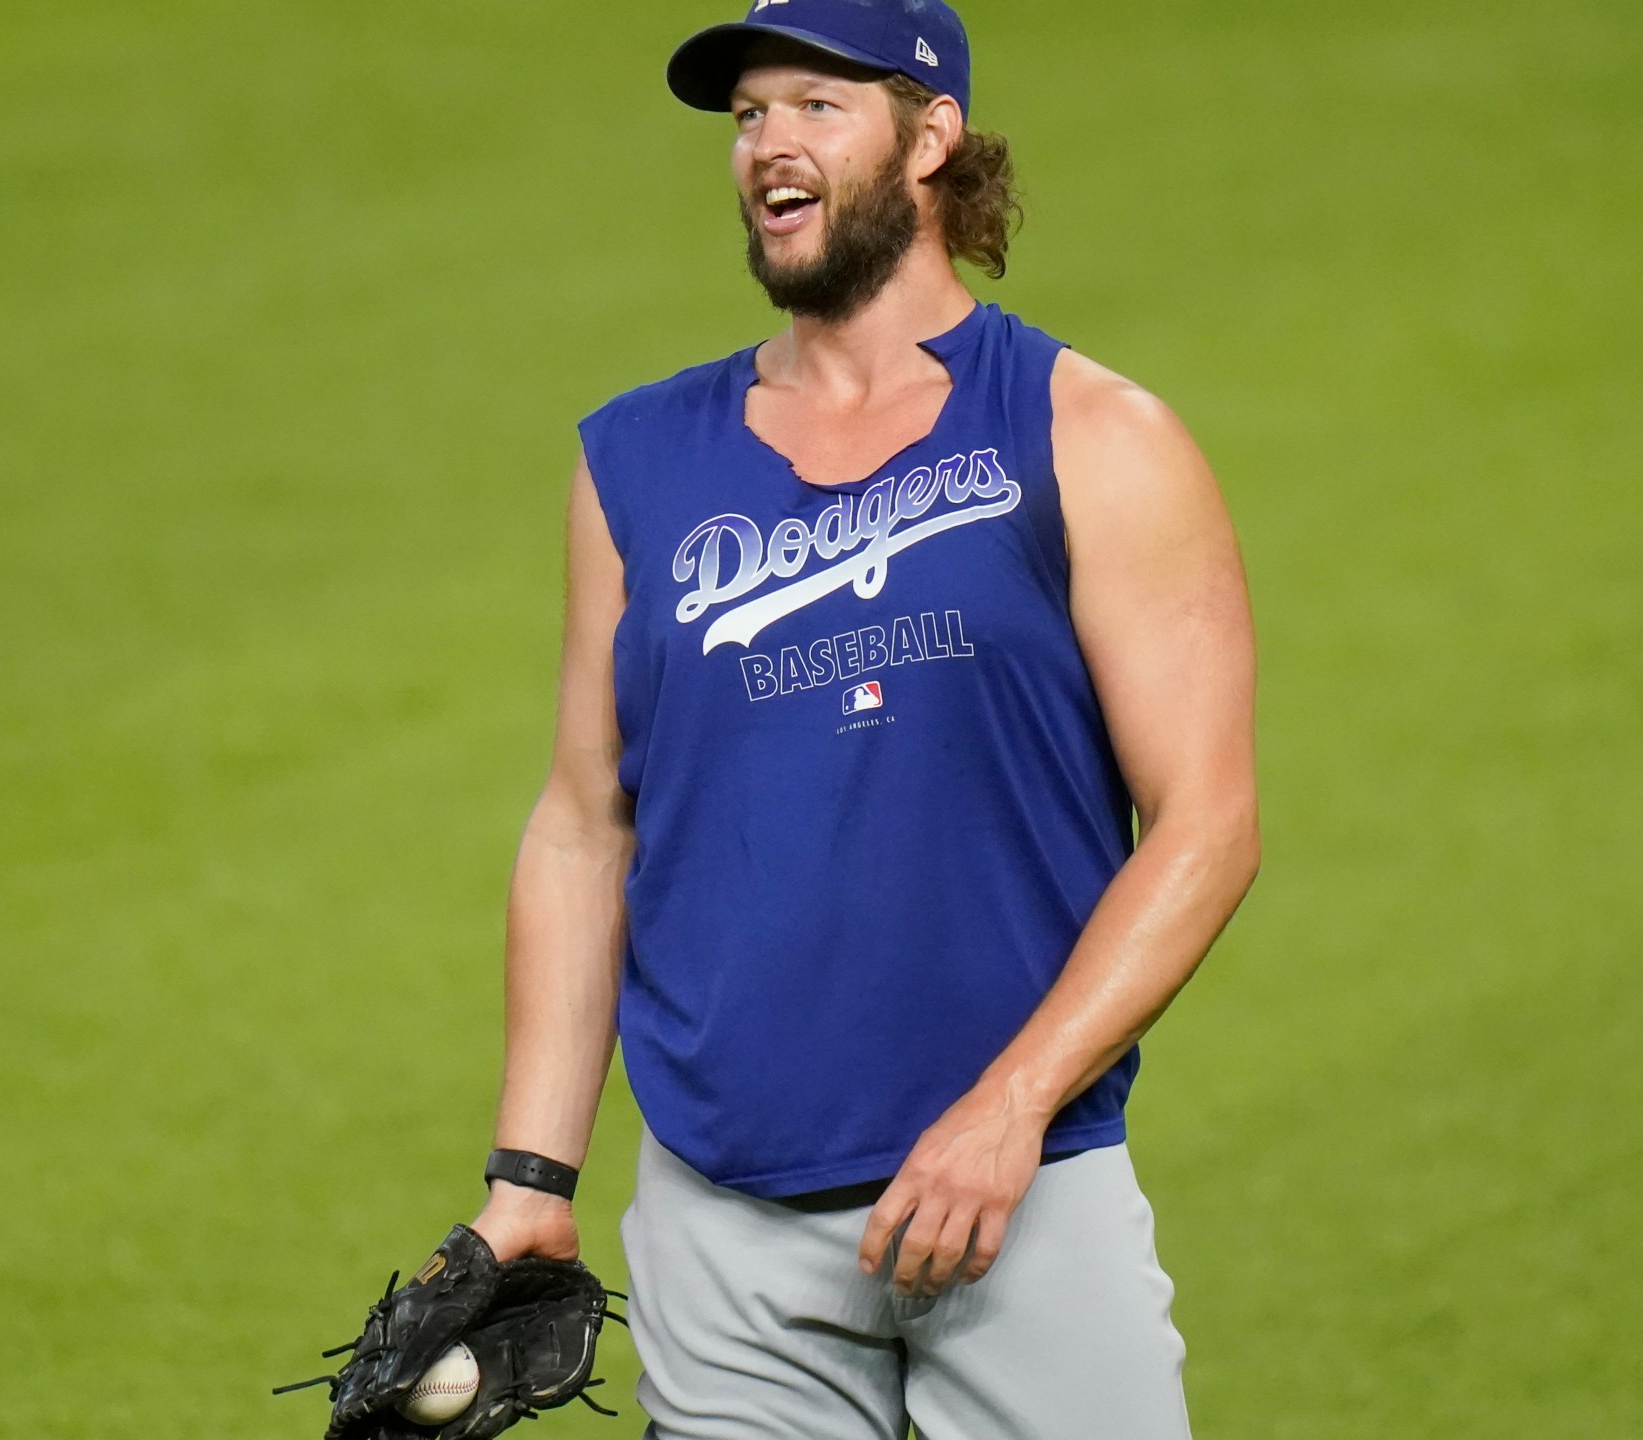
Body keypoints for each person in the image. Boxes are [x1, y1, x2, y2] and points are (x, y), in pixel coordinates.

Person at [462, 1, 1258, 1434]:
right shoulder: (636, 463)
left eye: (818, 107)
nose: (768, 143)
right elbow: (588, 826)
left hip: (1028, 1194)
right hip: (727, 1227)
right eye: (750, 114)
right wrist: (532, 1178)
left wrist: (1010, 1108)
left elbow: (1208, 824)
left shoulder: (1090, 437)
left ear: (931, 137)